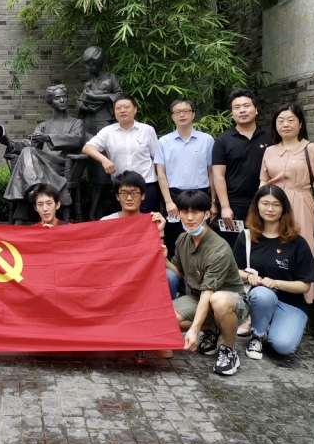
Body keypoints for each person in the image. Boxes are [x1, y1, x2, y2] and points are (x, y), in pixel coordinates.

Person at [166, 190, 249, 376]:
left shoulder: (218, 248)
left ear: (207, 214)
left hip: (229, 301)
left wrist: (194, 330)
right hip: (199, 298)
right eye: (184, 212)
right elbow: (178, 272)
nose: (189, 218)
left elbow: (208, 292)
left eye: (195, 212)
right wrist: (163, 259)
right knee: (166, 317)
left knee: (218, 300)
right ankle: (213, 329)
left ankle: (229, 349)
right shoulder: (182, 239)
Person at [234, 186, 314, 359]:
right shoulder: (247, 237)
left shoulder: (297, 242)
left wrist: (276, 283)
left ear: (283, 208)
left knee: (283, 346)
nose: (270, 209)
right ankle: (257, 335)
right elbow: (234, 271)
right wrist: (249, 277)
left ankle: (274, 323)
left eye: (276, 204)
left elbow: (305, 285)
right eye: (265, 203)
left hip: (290, 302)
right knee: (262, 294)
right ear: (257, 205)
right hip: (259, 298)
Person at [0, 84, 84, 222]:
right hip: (40, 166)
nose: (62, 100)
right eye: (57, 98)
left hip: (60, 165)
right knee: (27, 150)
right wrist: (5, 140)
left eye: (64, 97)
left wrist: (48, 138)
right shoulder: (43, 126)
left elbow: (76, 140)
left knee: (27, 156)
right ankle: (35, 187)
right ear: (51, 102)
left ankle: (28, 201)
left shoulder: (76, 123)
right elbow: (29, 144)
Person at [260, 103, 314, 257]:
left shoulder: (311, 149)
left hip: (301, 203)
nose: (285, 124)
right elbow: (263, 182)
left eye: (291, 120)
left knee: (301, 246)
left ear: (300, 124)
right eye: (280, 121)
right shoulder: (269, 151)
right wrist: (259, 207)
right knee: (272, 246)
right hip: (272, 204)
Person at [154, 99, 216, 259]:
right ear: (172, 116)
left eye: (186, 111)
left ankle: (202, 268)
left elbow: (212, 172)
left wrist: (213, 201)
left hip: (201, 195)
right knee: (175, 237)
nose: (182, 115)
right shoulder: (164, 141)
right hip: (175, 196)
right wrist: (168, 201)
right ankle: (177, 270)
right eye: (177, 112)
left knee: (201, 236)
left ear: (193, 114)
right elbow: (161, 173)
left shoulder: (207, 140)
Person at [213, 89, 273, 250]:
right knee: (235, 248)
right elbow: (218, 175)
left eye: (246, 105)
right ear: (232, 113)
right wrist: (225, 207)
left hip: (266, 201)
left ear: (256, 109)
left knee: (264, 245)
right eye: (237, 107)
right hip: (234, 204)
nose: (242, 110)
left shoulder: (270, 137)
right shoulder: (223, 140)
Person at [100, 171, 175, 300]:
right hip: (115, 273)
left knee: (170, 277)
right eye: (124, 193)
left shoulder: (152, 222)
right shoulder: (106, 223)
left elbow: (159, 259)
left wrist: (160, 232)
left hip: (143, 272)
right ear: (117, 196)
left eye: (134, 193)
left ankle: (166, 311)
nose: (129, 198)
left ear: (143, 196)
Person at [82, 94, 160, 214]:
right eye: (118, 108)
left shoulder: (147, 130)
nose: (122, 110)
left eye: (126, 107)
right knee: (125, 222)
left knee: (149, 220)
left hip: (146, 185)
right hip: (122, 188)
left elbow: (157, 158)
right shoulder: (108, 131)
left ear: (135, 109)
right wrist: (104, 159)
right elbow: (87, 148)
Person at [77, 46, 123, 219]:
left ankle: (101, 212)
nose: (88, 68)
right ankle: (94, 213)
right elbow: (80, 102)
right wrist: (86, 106)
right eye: (86, 65)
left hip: (107, 125)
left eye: (91, 64)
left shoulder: (111, 78)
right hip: (91, 127)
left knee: (106, 173)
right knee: (94, 170)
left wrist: (97, 98)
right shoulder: (88, 84)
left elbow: (119, 97)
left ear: (99, 63)